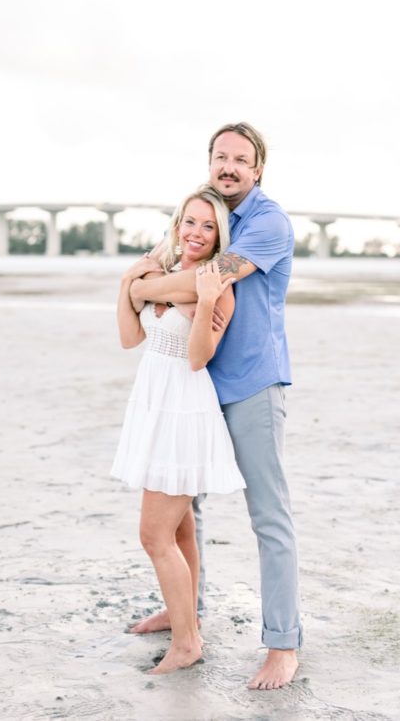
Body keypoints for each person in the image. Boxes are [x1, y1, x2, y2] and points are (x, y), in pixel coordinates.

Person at [127, 122, 301, 690]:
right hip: (197, 385)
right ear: (210, 162)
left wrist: (140, 289)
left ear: (258, 170)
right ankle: (187, 618)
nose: (228, 166)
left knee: (268, 517)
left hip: (250, 383)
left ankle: (282, 643)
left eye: (240, 159)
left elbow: (205, 278)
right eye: (220, 157)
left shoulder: (268, 222)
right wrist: (147, 281)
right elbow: (163, 260)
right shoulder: (206, 214)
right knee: (184, 513)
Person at [111, 185, 246, 674]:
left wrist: (204, 297)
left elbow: (196, 358)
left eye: (208, 226)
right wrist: (127, 284)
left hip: (183, 411)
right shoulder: (165, 275)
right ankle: (183, 618)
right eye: (190, 222)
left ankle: (188, 643)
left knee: (153, 535)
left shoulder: (215, 287)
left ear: (218, 238)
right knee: (181, 527)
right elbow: (131, 339)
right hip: (152, 404)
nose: (196, 232)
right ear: (177, 225)